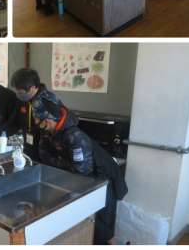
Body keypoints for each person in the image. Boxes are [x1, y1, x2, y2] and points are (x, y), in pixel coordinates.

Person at [11, 68, 128, 245]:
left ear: (49, 120)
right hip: (82, 178)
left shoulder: (75, 137)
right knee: (87, 224)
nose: (37, 125)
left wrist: (55, 164)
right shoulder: (49, 131)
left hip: (100, 180)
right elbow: (43, 153)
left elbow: (81, 171)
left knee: (102, 228)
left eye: (39, 122)